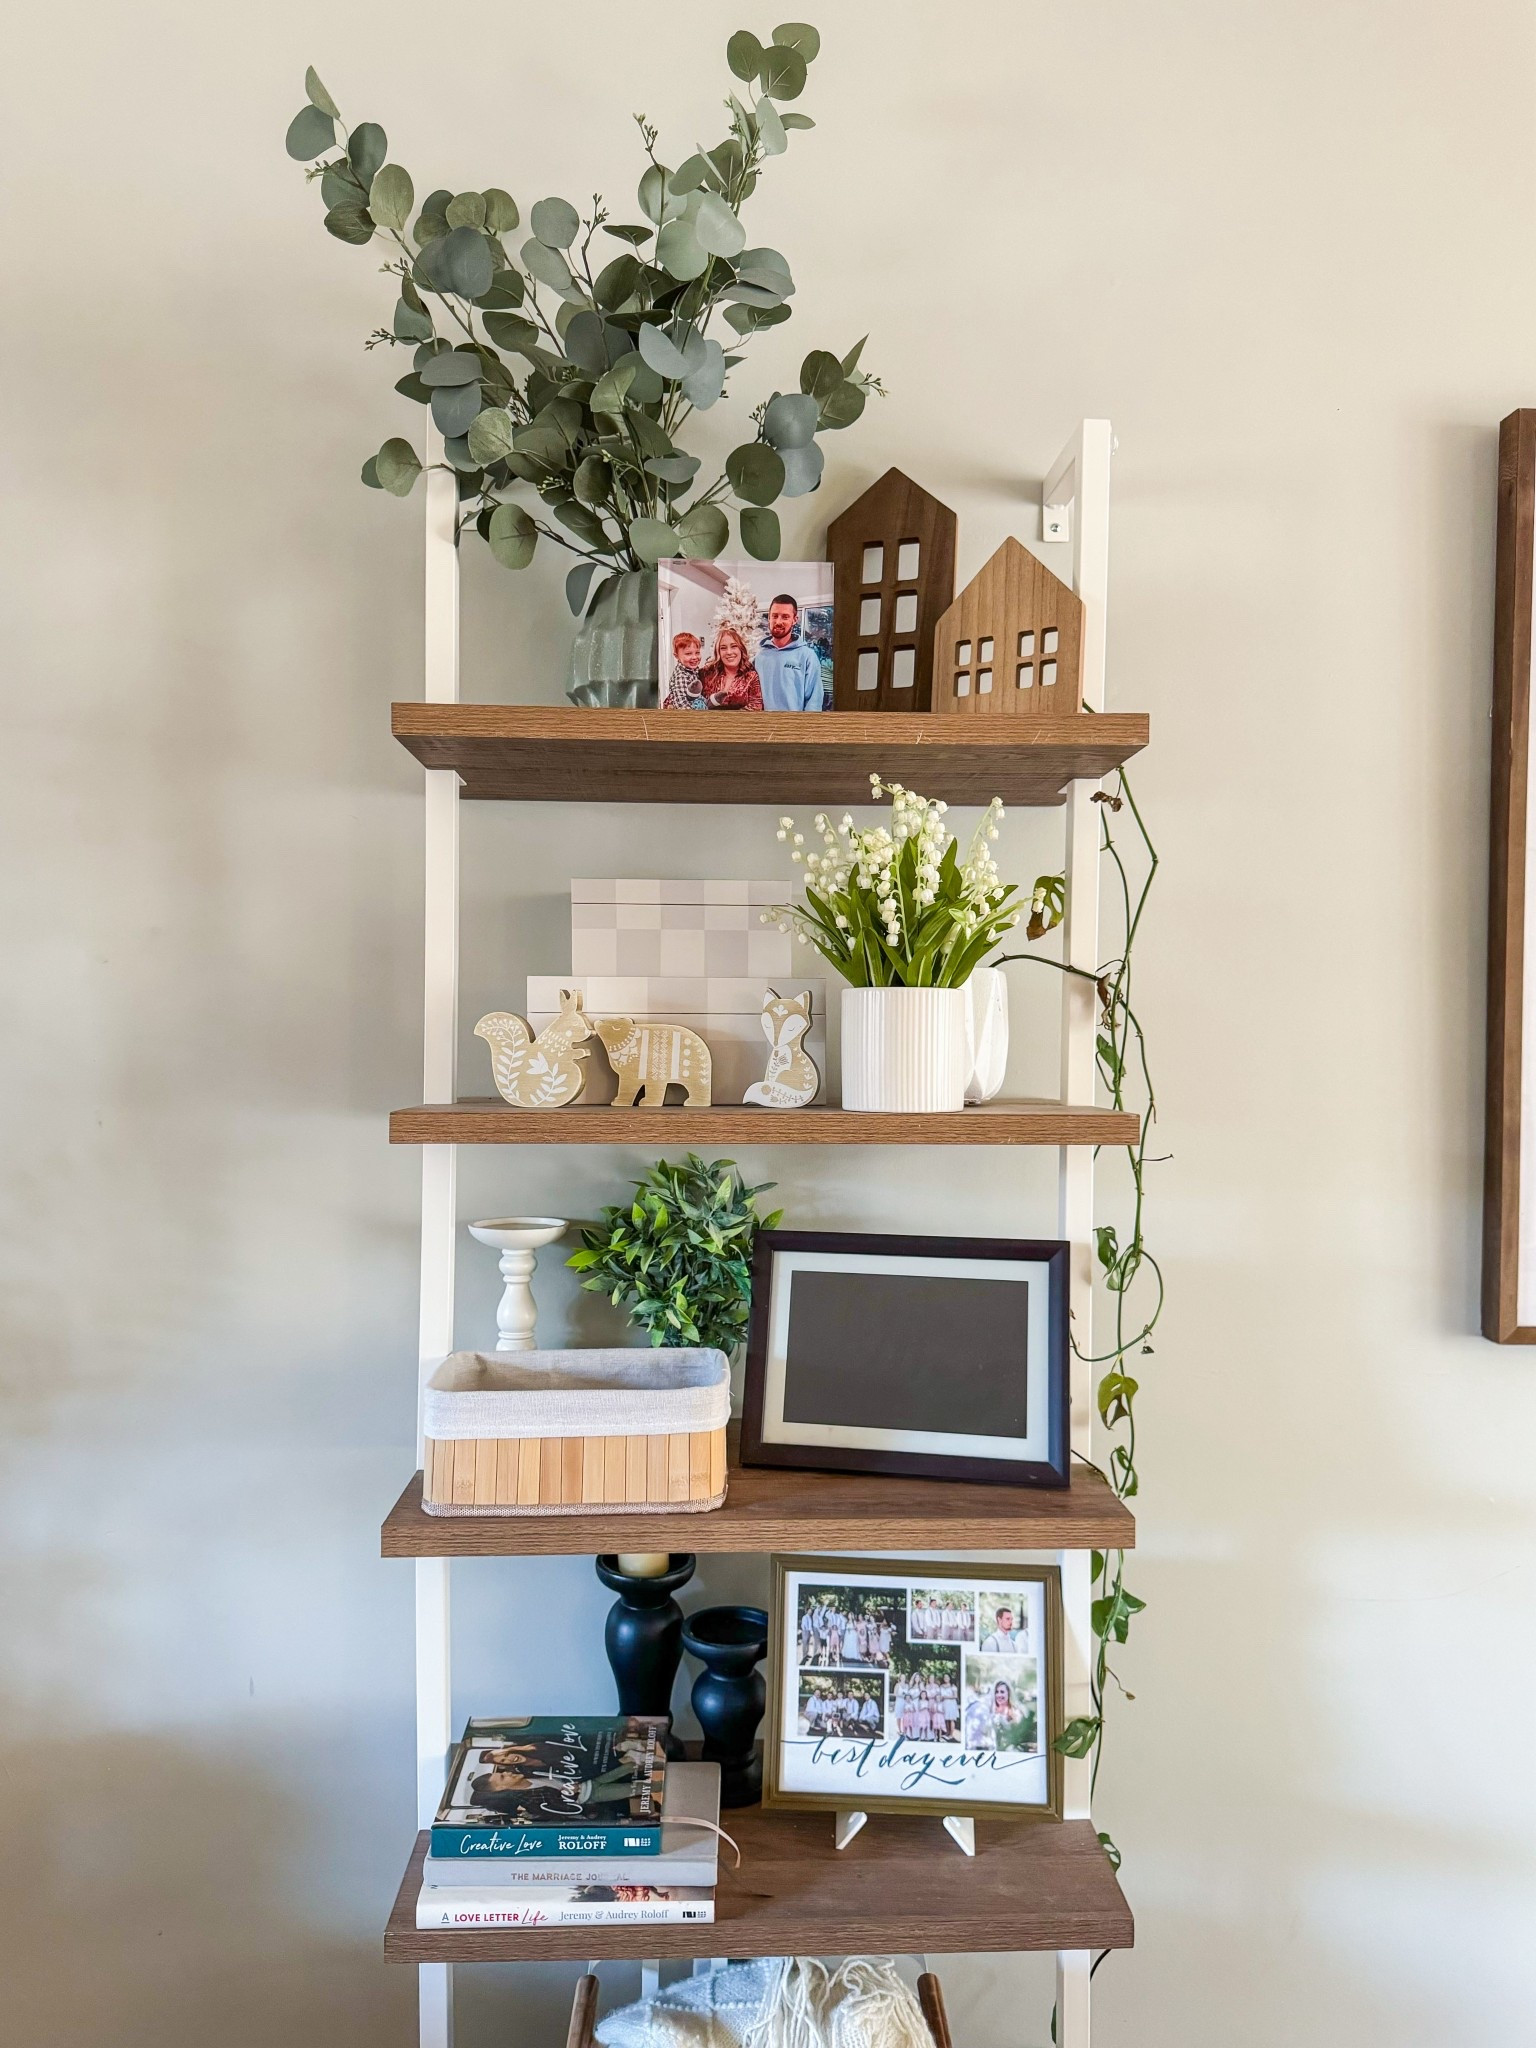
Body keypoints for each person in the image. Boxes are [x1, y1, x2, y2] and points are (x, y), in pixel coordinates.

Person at [755, 594, 824, 711]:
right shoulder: (758, 657)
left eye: (785, 617)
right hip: (763, 727)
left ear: (794, 620)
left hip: (795, 727)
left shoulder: (807, 656)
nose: (778, 621)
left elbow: (814, 702)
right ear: (769, 618)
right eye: (774, 616)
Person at [699, 625, 762, 710]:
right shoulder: (706, 673)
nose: (729, 652)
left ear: (741, 649)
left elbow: (756, 707)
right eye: (723, 648)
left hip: (740, 723)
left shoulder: (751, 677)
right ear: (718, 652)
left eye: (733, 646)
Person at [664, 630, 706, 709]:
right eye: (688, 654)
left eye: (697, 653)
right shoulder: (681, 675)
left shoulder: (693, 671)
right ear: (676, 656)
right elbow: (681, 703)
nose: (694, 657)